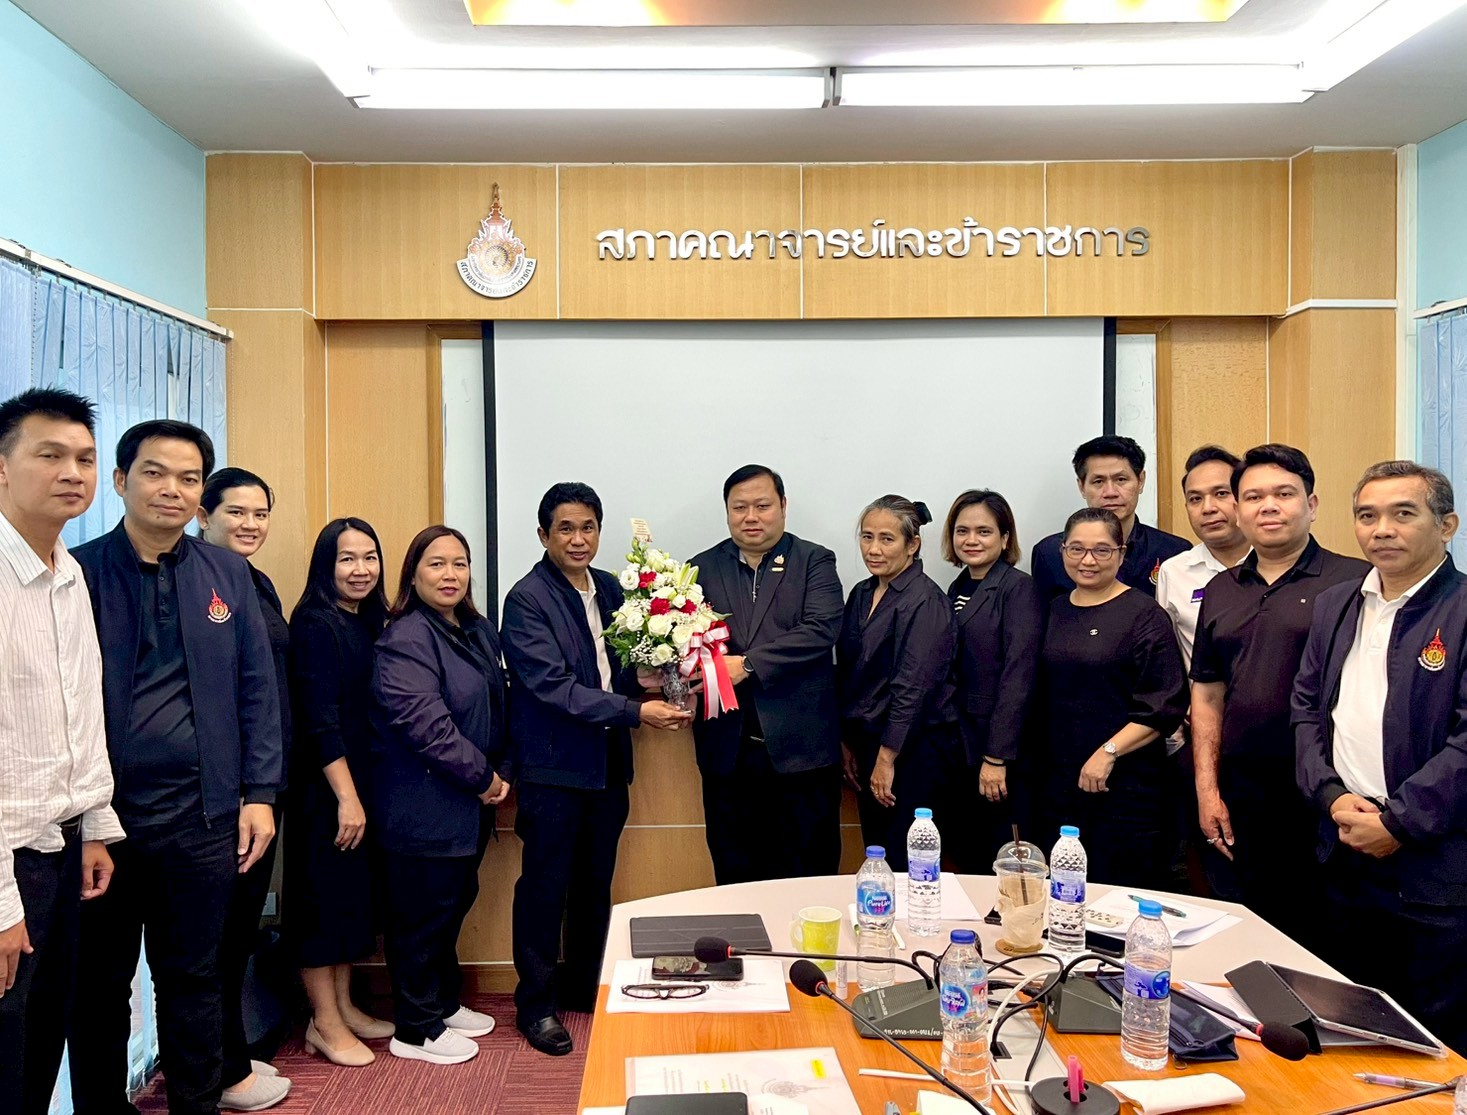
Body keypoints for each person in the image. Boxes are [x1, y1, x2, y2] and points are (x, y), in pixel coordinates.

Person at [70, 420, 283, 1115]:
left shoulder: (227, 573)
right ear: (121, 480)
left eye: (189, 478)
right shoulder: (76, 572)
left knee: (194, 977)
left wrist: (259, 793)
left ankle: (197, 1106)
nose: (173, 488)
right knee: (99, 985)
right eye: (155, 472)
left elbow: (257, 688)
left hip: (203, 816)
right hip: (102, 822)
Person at [503, 483, 691, 1056]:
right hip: (554, 770)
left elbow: (617, 669)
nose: (578, 539)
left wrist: (657, 678)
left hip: (608, 766)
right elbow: (554, 687)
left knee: (594, 884)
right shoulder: (527, 599)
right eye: (565, 528)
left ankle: (584, 986)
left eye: (588, 527)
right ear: (543, 535)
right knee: (545, 889)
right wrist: (636, 711)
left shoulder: (610, 588)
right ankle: (536, 1006)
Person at [1294, 461, 1467, 1052]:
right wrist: (1330, 796)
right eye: (1367, 515)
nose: (1381, 529)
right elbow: (1306, 710)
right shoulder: (1337, 603)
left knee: (1434, 1035)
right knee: (1351, 1021)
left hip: (1432, 863)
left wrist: (1398, 823)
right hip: (1344, 845)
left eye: (1403, 513)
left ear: (1447, 525)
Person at [0, 389, 124, 1115]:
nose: (72, 472)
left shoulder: (68, 572)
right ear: (3, 467)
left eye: (83, 457)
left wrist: (96, 822)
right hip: (9, 861)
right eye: (50, 455)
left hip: (62, 847)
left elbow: (82, 710)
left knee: (43, 1040)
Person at [1189, 444, 1367, 942]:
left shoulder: (1355, 582)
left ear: (1312, 504)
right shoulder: (1221, 589)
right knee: (1245, 931)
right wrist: (1207, 791)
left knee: (1322, 938)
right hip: (1241, 793)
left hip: (1325, 794)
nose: (1268, 506)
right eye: (1253, 497)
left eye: (1284, 494)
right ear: (1238, 510)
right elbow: (1207, 694)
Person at [372, 525, 509, 1066]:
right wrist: (485, 779)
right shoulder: (405, 638)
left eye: (459, 563)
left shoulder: (476, 629)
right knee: (420, 920)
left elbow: (501, 704)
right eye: (436, 564)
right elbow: (425, 727)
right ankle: (415, 1028)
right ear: (413, 574)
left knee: (451, 906)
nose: (450, 575)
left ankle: (442, 1004)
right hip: (423, 804)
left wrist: (502, 771)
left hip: (469, 803)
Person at [688, 465, 845, 885]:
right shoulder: (700, 568)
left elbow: (821, 629)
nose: (751, 517)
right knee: (735, 875)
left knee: (808, 877)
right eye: (739, 507)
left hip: (801, 754)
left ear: (783, 506)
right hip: (728, 754)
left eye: (762, 506)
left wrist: (747, 664)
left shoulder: (814, 561)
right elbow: (687, 644)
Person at [197, 468, 293, 1111]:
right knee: (217, 942)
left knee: (237, 934)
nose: (251, 524)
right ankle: (224, 1071)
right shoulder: (196, 582)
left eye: (261, 514)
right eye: (236, 512)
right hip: (223, 795)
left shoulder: (252, 580)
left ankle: (228, 1057)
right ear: (204, 514)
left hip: (262, 786)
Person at [286, 519, 394, 1067]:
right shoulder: (314, 623)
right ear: (325, 565)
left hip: (362, 782)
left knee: (352, 899)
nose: (360, 569)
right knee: (320, 904)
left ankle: (345, 1007)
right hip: (325, 789)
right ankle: (323, 1023)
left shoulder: (368, 620)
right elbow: (319, 720)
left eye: (369, 557)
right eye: (347, 559)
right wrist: (346, 798)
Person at [1037, 508, 1187, 890]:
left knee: (1119, 895)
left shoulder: (1144, 615)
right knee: (1065, 894)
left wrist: (1108, 753)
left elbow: (1163, 704)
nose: (1087, 560)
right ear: (1062, 551)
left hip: (1124, 786)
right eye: (1077, 549)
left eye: (1101, 550)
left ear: (1121, 554)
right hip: (1060, 783)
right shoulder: (1053, 610)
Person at [837, 495, 958, 871]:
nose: (873, 549)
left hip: (911, 750)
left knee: (908, 858)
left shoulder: (925, 600)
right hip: (868, 742)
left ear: (912, 544)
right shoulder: (862, 593)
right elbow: (849, 671)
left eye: (887, 539)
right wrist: (847, 740)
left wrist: (886, 757)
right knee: (877, 855)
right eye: (867, 536)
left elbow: (914, 687)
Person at [941, 489, 1042, 870]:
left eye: (983, 531)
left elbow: (1020, 674)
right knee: (964, 850)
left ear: (1004, 538)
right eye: (962, 531)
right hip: (960, 742)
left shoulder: (1018, 588)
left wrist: (996, 756)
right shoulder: (958, 587)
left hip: (997, 749)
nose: (971, 540)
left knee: (998, 857)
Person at [1031, 435, 1190, 603]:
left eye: (1121, 480)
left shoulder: (1174, 552)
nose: (1110, 492)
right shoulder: (1049, 553)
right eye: (1098, 481)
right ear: (1082, 487)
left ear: (1140, 481)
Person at [1154, 447, 1252, 671]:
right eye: (1195, 499)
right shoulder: (1174, 572)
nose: (1208, 508)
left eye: (1221, 494)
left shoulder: (1274, 563)